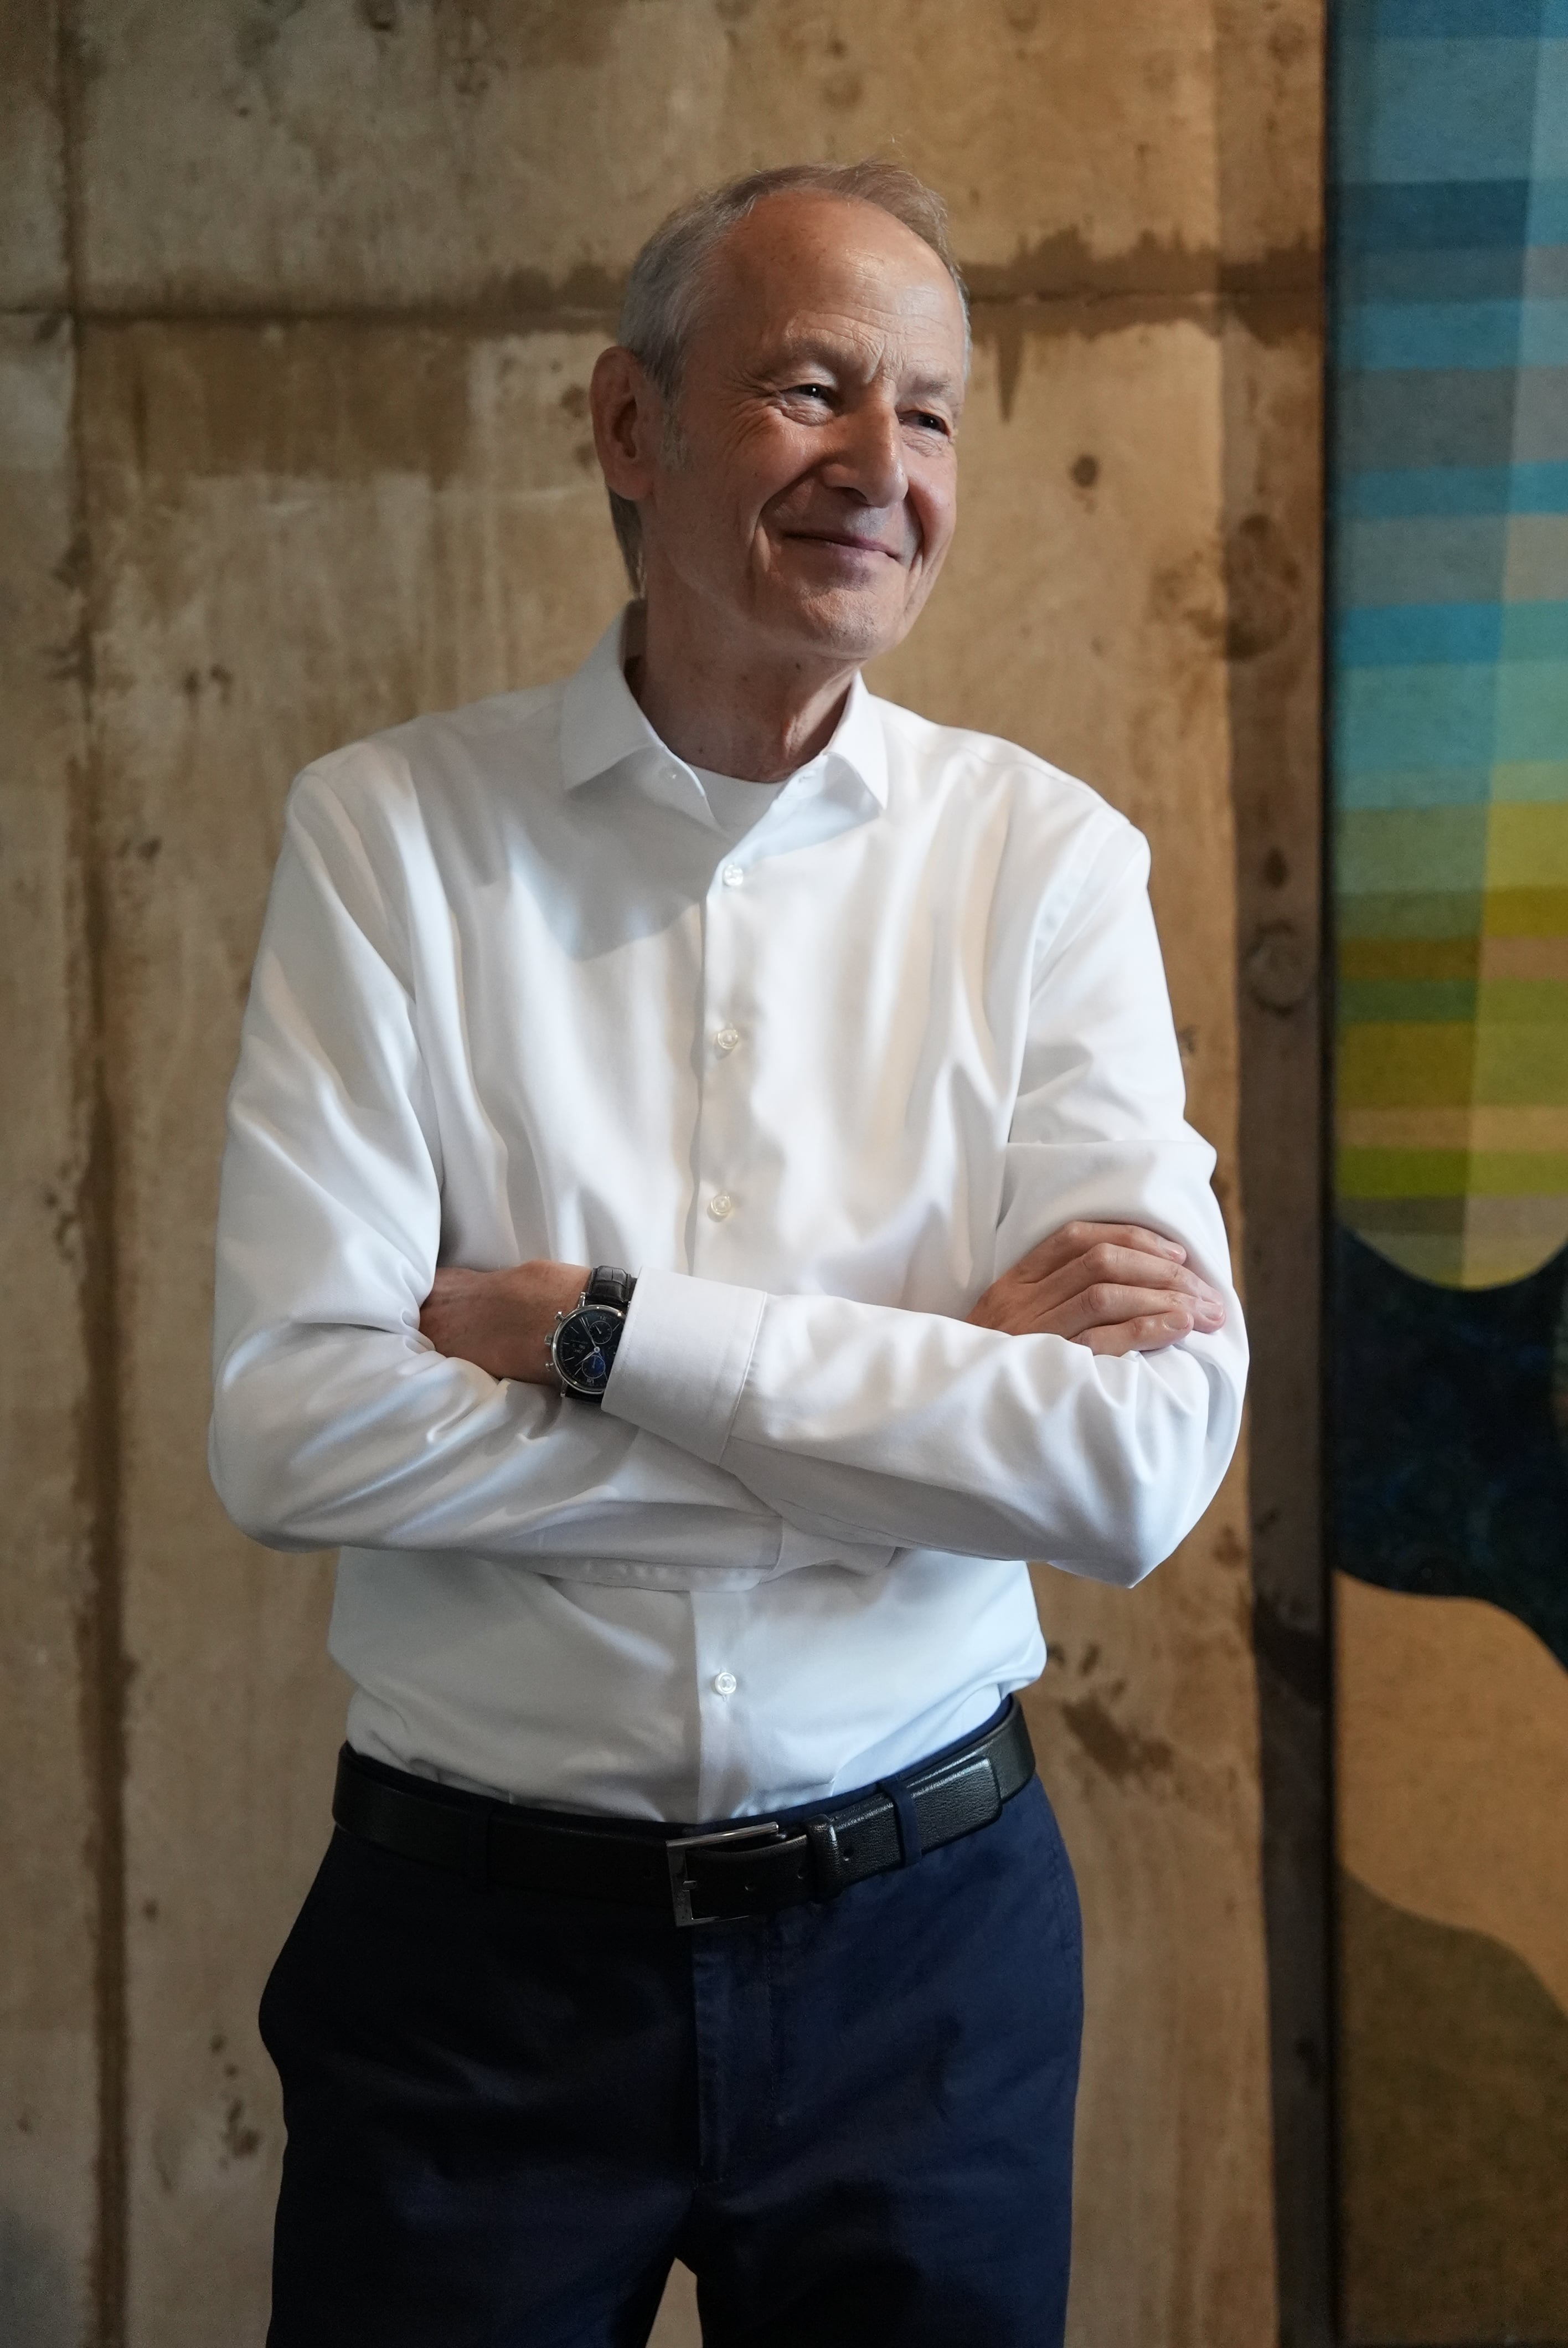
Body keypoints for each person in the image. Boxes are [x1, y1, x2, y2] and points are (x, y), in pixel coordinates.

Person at [211, 159, 1245, 2348]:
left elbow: (1133, 1466)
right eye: (812, 388)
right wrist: (923, 1405)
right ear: (630, 425)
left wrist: (603, 1333)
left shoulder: (1050, 865)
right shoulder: (388, 838)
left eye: (933, 412)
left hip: (926, 1961)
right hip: (475, 1970)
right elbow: (293, 1428)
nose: (885, 465)